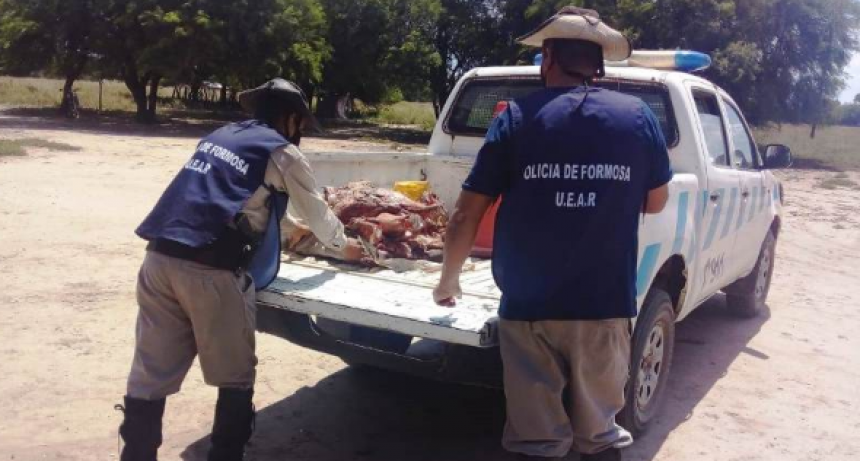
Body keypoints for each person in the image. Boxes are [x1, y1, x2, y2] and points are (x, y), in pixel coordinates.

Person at [432, 7, 672, 461]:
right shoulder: (638, 117)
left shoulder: (516, 118)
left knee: (537, 439)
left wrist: (449, 280)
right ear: (598, 64)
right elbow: (656, 201)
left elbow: (465, 214)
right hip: (604, 304)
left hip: (529, 309)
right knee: (600, 435)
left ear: (548, 58)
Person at [116, 78, 364, 461]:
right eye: (300, 124)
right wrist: (345, 247)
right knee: (236, 378)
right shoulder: (283, 153)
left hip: (158, 261)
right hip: (211, 272)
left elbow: (232, 197)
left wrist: (289, 229)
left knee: (150, 376)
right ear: (290, 118)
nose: (300, 132)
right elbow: (319, 216)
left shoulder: (220, 137)